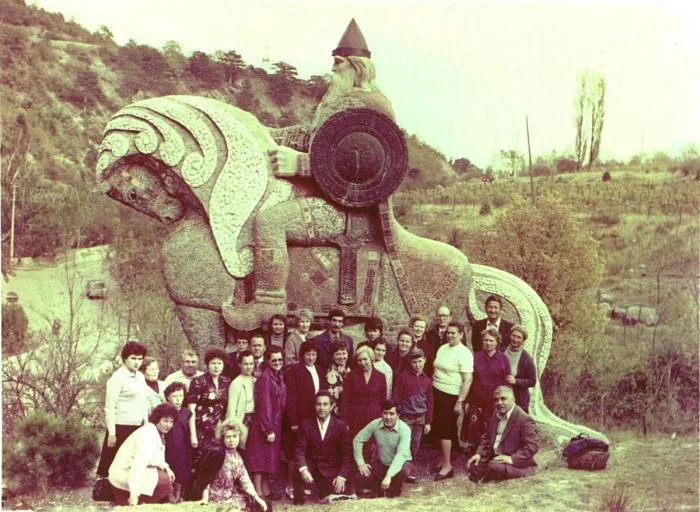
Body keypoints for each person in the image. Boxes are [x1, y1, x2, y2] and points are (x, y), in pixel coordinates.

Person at [223, 19, 397, 332]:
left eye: (338, 62)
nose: (333, 68)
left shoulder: (372, 105)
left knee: (271, 221)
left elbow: (364, 166)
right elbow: (314, 138)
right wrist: (262, 134)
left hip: (351, 211)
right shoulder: (339, 101)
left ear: (356, 67)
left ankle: (268, 303)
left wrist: (301, 165)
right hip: (329, 198)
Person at [96, 341, 149, 482]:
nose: (137, 362)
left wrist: (146, 425)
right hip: (120, 427)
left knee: (132, 463)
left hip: (138, 427)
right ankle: (105, 490)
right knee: (112, 464)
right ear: (125, 358)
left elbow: (143, 402)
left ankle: (127, 491)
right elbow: (110, 408)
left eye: (140, 359)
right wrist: (112, 433)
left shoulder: (140, 377)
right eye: (133, 358)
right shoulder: (117, 378)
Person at [108, 403, 178, 505]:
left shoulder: (155, 431)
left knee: (165, 475)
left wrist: (166, 467)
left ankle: (145, 498)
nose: (169, 425)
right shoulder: (147, 435)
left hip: (128, 471)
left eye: (171, 422)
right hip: (123, 473)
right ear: (157, 419)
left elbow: (155, 458)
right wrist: (134, 494)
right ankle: (137, 499)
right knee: (164, 479)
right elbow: (138, 466)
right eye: (165, 421)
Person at [467, 386, 539, 483]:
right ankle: (487, 477)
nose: (499, 403)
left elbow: (532, 446)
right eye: (496, 400)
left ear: (513, 399)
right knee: (473, 465)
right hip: (496, 458)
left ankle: (488, 480)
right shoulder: (496, 414)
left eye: (503, 399)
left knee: (494, 466)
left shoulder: (524, 419)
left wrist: (512, 459)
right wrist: (479, 454)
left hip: (515, 463)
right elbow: (487, 437)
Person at [294, 391, 354, 505]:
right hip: (312, 470)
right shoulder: (306, 425)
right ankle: (303, 496)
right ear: (314, 406)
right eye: (318, 404)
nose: (321, 408)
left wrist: (341, 476)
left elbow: (347, 455)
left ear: (332, 406)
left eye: (325, 404)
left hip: (331, 470)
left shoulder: (340, 426)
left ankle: (324, 491)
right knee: (297, 472)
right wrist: (304, 469)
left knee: (338, 497)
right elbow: (299, 450)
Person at [432, 321, 473, 480]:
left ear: (461, 334)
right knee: (438, 428)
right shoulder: (443, 348)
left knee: (445, 430)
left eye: (453, 333)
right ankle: (443, 459)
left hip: (451, 395)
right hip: (436, 391)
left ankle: (448, 466)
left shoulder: (464, 353)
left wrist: (460, 401)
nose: (449, 335)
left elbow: (468, 380)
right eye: (448, 332)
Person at [246, 346, 287, 501]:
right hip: (264, 424)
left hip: (275, 422)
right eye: (274, 360)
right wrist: (268, 429)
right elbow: (264, 405)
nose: (277, 362)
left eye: (280, 360)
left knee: (268, 458)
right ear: (268, 360)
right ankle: (258, 492)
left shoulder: (278, 376)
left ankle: (266, 489)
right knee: (260, 458)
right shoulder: (265, 378)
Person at [200, 420, 269, 511]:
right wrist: (205, 498)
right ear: (223, 439)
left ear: (239, 437)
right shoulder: (217, 454)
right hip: (215, 497)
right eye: (228, 437)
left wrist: (257, 498)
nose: (231, 440)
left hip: (231, 495)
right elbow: (206, 478)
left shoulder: (239, 456)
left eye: (234, 436)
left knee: (264, 506)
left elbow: (245, 481)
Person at [462, 328, 511, 454]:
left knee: (491, 427)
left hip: (494, 402)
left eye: (491, 341)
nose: (488, 343)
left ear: (497, 342)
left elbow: (506, 383)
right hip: (476, 400)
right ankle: (473, 452)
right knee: (474, 427)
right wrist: (467, 400)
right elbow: (470, 379)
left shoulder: (503, 359)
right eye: (485, 340)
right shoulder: (476, 357)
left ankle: (487, 453)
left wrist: (504, 401)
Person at [284, 341, 321, 500]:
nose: (311, 358)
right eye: (308, 354)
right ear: (302, 355)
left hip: (314, 417)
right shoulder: (294, 371)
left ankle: (306, 484)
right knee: (294, 453)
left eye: (314, 354)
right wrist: (293, 422)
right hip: (299, 419)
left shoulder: (319, 369)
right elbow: (291, 398)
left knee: (309, 452)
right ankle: (291, 486)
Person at [353, 399, 411, 498]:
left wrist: (388, 476)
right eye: (385, 413)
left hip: (401, 464)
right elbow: (357, 440)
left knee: (394, 490)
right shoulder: (375, 424)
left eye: (392, 414)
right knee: (359, 478)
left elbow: (401, 455)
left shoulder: (405, 429)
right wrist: (361, 463)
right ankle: (378, 487)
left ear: (398, 415)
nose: (388, 417)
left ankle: (392, 489)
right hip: (382, 463)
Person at [392, 348, 433, 483]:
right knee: (404, 443)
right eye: (414, 362)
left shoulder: (427, 380)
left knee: (415, 444)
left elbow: (430, 402)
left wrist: (428, 422)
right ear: (410, 363)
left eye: (420, 361)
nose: (417, 365)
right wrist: (397, 414)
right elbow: (396, 396)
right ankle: (399, 470)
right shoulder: (403, 377)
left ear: (425, 361)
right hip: (406, 416)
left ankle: (409, 470)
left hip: (420, 418)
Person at [188, 348, 231, 450]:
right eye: (213, 363)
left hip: (220, 429)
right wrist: (193, 435)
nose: (216, 366)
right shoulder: (198, 382)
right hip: (201, 428)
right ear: (207, 365)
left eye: (219, 363)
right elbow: (191, 410)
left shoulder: (226, 381)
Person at [341, 345, 387, 438]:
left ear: (371, 359)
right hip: (355, 420)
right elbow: (345, 401)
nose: (362, 362)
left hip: (374, 420)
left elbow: (382, 401)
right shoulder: (351, 376)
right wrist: (346, 422)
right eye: (359, 360)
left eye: (365, 359)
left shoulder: (380, 376)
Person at [163, 382, 192, 502]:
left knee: (183, 467)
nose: (178, 399)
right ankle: (170, 492)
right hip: (169, 444)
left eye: (180, 396)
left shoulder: (186, 412)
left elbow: (189, 428)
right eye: (174, 396)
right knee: (171, 465)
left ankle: (181, 492)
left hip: (183, 444)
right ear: (168, 397)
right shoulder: (165, 411)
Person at [502, 324, 537, 413]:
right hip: (500, 396)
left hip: (518, 400)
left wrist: (516, 381)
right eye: (513, 335)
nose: (515, 339)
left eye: (519, 337)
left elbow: (533, 381)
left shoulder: (526, 358)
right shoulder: (501, 351)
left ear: (523, 340)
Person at [226, 350, 256, 429]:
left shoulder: (256, 381)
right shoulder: (236, 383)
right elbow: (231, 409)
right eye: (245, 364)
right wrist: (232, 426)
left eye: (251, 364)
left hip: (256, 420)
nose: (248, 367)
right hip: (242, 420)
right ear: (240, 364)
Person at [322, 339, 351, 415]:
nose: (341, 357)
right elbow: (333, 400)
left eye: (344, 353)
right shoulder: (331, 374)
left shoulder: (348, 369)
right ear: (332, 356)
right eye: (338, 354)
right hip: (338, 413)